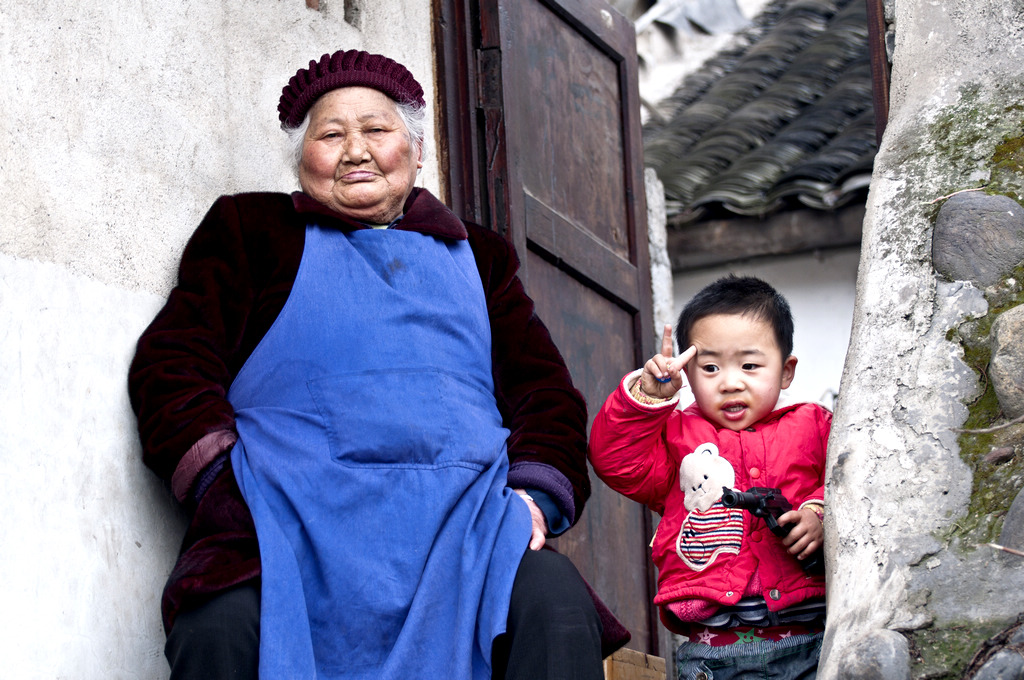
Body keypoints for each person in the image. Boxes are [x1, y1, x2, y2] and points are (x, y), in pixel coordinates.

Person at [128, 49, 626, 679]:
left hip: (461, 534)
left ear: (417, 151)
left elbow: (544, 393)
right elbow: (172, 365)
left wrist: (532, 498)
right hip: (287, 525)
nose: (354, 150)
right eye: (330, 135)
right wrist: (223, 489)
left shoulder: (481, 257)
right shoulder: (251, 234)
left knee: (553, 602)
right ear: (301, 158)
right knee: (220, 623)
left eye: (376, 130)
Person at [588, 275, 829, 679]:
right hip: (713, 657)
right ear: (689, 372)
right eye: (711, 367)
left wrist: (820, 512)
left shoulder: (816, 426)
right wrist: (649, 398)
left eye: (750, 365)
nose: (730, 382)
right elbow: (616, 461)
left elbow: (857, 484)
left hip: (812, 645)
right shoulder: (675, 436)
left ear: (786, 372)